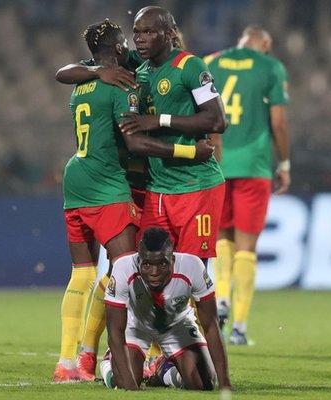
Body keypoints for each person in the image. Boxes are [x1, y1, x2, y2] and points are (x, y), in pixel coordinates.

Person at [54, 19, 214, 383]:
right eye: (132, 38)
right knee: (126, 272)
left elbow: (65, 72)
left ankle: (79, 359)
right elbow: (135, 141)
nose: (136, 44)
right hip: (127, 184)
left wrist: (97, 70)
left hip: (84, 181)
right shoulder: (126, 78)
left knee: (92, 272)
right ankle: (126, 355)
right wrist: (191, 151)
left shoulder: (92, 79)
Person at [119, 6, 227, 265]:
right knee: (145, 267)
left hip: (197, 184)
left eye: (148, 32)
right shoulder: (140, 73)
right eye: (136, 32)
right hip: (158, 188)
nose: (140, 38)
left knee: (191, 271)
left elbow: (217, 120)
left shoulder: (189, 66)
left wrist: (159, 120)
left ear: (168, 34)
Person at [203, 26, 291, 345]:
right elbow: (279, 123)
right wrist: (283, 163)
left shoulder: (209, 62)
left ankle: (222, 297)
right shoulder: (270, 67)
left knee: (222, 240)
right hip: (254, 166)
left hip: (217, 164)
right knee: (246, 248)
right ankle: (238, 326)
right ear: (264, 43)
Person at [101, 227, 232, 391]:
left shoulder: (193, 267)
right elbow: (115, 331)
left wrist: (225, 382)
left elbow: (211, 325)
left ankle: (163, 370)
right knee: (123, 381)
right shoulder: (123, 267)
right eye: (147, 264)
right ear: (138, 259)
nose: (154, 272)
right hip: (136, 326)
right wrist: (129, 386)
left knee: (203, 383)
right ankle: (109, 361)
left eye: (162, 264)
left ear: (173, 258)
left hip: (177, 325)